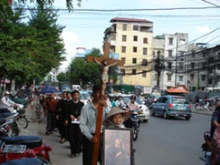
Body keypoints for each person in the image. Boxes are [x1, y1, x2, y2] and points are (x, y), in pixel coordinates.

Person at [79, 85, 110, 165]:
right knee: (88, 161)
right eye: (98, 92)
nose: (100, 95)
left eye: (102, 93)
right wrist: (90, 137)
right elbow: (82, 124)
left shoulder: (106, 107)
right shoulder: (85, 108)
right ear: (93, 93)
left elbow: (111, 120)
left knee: (105, 160)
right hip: (90, 137)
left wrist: (106, 107)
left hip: (102, 136)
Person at [66, 90, 84, 158]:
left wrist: (80, 116)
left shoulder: (81, 104)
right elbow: (65, 112)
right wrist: (70, 115)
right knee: (71, 137)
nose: (76, 96)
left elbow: (84, 113)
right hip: (71, 123)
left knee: (78, 137)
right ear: (72, 96)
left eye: (77, 95)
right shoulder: (69, 103)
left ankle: (78, 149)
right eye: (75, 95)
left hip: (79, 123)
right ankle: (73, 151)